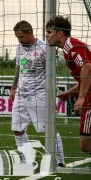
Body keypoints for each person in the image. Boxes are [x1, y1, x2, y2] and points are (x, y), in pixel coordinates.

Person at [11, 21, 65, 166]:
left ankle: (59, 160)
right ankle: (26, 160)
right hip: (21, 94)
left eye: (21, 37)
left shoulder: (44, 48)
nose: (19, 40)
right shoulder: (19, 48)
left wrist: (51, 94)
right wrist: (13, 87)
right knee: (17, 128)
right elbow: (18, 69)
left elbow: (51, 73)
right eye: (17, 37)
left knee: (48, 128)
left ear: (30, 33)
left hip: (40, 94)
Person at [45, 15, 91, 153]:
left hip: (89, 99)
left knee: (85, 144)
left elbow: (88, 67)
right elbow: (86, 78)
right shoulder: (68, 48)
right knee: (85, 145)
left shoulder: (71, 46)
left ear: (60, 33)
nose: (47, 36)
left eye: (49, 32)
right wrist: (70, 93)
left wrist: (81, 97)